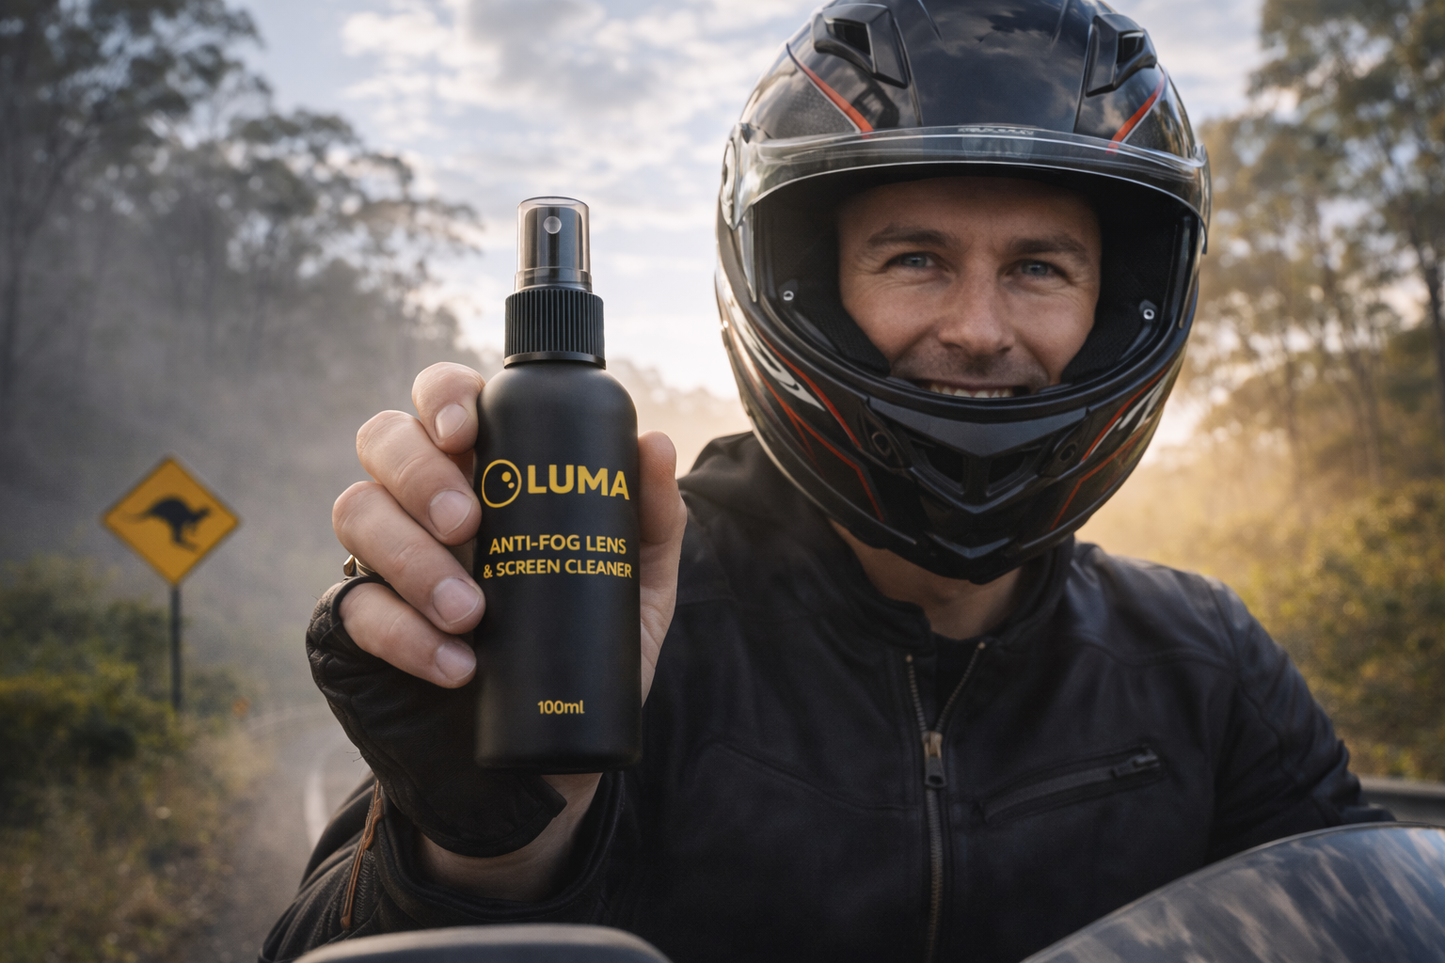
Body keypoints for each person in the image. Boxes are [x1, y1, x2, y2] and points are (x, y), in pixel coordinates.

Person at [264, 2, 1387, 961]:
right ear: (805, 290)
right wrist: (482, 840)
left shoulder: (1200, 663)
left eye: (1038, 267)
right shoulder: (606, 621)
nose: (978, 329)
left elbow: (1368, 922)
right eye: (915, 259)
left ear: (1116, 307)